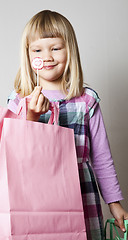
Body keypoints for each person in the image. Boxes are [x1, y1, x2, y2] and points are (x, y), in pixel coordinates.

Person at [7, 9, 128, 240]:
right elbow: (14, 151)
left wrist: (114, 203)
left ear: (69, 50)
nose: (48, 56)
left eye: (55, 48)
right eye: (38, 49)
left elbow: (102, 157)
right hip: (35, 194)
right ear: (29, 55)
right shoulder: (20, 98)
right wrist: (31, 116)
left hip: (80, 192)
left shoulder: (87, 100)